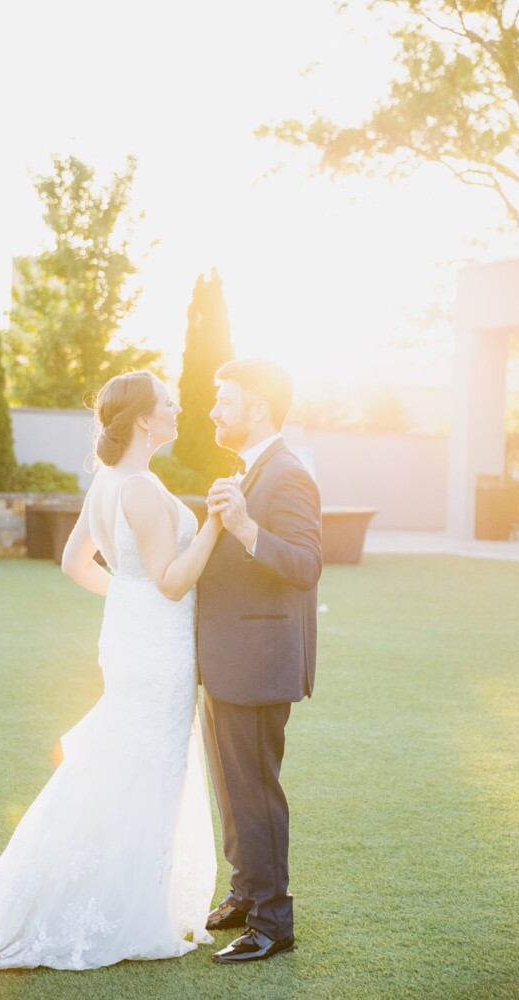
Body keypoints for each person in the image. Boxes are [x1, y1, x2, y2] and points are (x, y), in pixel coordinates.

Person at [0, 370, 219, 975]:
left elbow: (74, 562)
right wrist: (214, 522)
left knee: (124, 763)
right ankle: (129, 908)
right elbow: (170, 580)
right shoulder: (138, 489)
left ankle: (123, 892)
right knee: (150, 767)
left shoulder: (106, 483)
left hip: (131, 637)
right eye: (168, 403)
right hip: (156, 650)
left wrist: (125, 596)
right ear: (141, 419)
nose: (177, 409)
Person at [200, 358, 322, 964]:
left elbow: (305, 564)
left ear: (257, 407)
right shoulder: (250, 469)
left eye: (225, 400)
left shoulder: (289, 474)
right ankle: (247, 894)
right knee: (231, 787)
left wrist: (247, 529)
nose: (215, 411)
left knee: (255, 792)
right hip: (229, 661)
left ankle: (275, 922)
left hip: (259, 664)